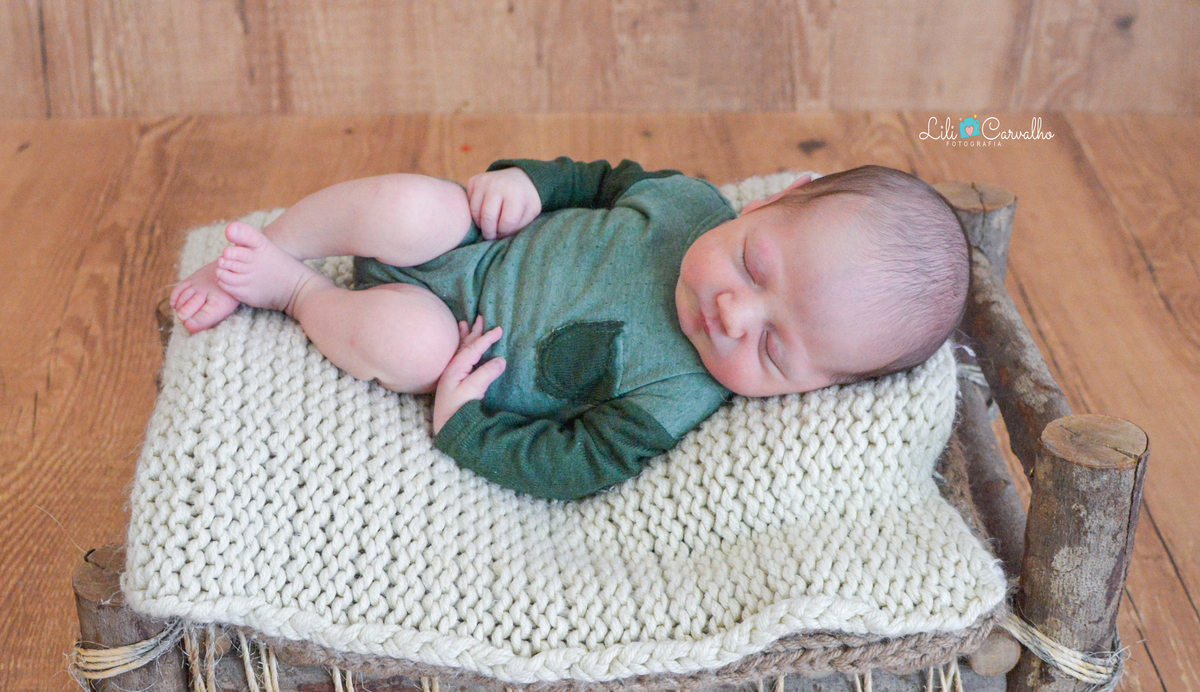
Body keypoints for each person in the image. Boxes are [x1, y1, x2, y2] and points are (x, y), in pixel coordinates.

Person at [170, 158, 968, 500]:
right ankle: (277, 240)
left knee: (409, 347)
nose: (733, 315)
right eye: (755, 269)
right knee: (415, 205)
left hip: (447, 330)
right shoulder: (687, 202)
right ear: (766, 203)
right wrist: (527, 184)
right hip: (470, 241)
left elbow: (577, 465)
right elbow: (597, 180)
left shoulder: (677, 395)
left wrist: (468, 426)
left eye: (773, 349)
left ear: (811, 388)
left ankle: (295, 290)